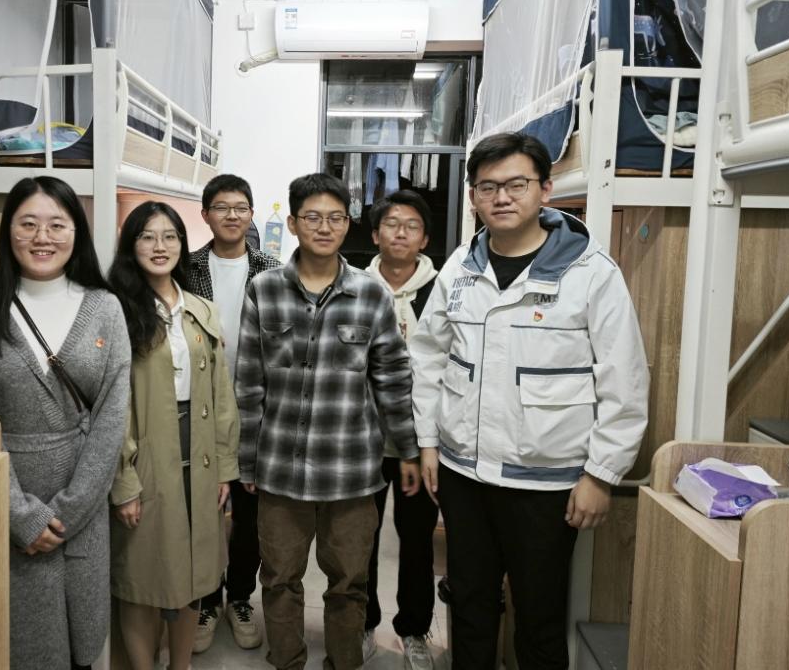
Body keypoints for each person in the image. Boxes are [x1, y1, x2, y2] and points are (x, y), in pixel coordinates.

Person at [409, 132, 649, 670]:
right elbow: (428, 359)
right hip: (464, 474)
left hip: (546, 483)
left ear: (545, 190)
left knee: (539, 618)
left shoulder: (590, 273)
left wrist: (601, 475)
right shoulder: (461, 268)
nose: (501, 197)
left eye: (516, 184)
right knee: (469, 603)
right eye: (487, 187)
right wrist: (427, 443)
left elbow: (625, 380)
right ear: (473, 197)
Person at [235, 172, 418, 670]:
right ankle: (287, 661)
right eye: (312, 217)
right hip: (280, 468)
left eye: (335, 218)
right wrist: (246, 462)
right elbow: (249, 383)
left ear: (348, 224)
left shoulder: (371, 294)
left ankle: (344, 662)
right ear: (293, 223)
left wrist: (407, 449)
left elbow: (393, 378)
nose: (324, 227)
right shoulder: (263, 289)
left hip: (350, 470)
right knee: (278, 580)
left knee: (349, 584)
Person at [0, 176, 131, 670]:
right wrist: (21, 516)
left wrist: (68, 511)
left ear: (76, 232)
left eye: (57, 224)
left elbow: (112, 417)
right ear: (8, 231)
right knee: (24, 644)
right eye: (28, 224)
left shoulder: (104, 307)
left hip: (81, 505)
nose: (42, 237)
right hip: (7, 499)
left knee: (81, 641)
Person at [108, 201, 239, 670]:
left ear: (183, 244)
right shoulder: (115, 311)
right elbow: (112, 406)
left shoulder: (201, 309)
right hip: (146, 456)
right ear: (131, 245)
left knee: (193, 576)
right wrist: (124, 481)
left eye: (169, 236)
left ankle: (180, 666)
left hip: (199, 455)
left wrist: (224, 466)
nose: (159, 246)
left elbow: (221, 395)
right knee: (143, 578)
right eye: (147, 236)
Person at [187, 174, 281, 653]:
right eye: (221, 207)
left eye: (240, 207)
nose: (231, 215)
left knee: (250, 513)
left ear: (251, 214)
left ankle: (240, 597)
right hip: (198, 406)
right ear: (205, 214)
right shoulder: (186, 267)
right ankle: (206, 599)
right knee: (203, 509)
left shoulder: (272, 269)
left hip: (254, 406)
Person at [362, 190, 440, 670]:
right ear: (376, 234)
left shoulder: (443, 289)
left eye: (412, 226)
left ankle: (413, 630)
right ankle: (363, 622)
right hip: (365, 439)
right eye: (391, 224)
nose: (401, 233)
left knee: (417, 542)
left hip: (422, 440)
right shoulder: (356, 286)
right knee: (360, 539)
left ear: (424, 239)